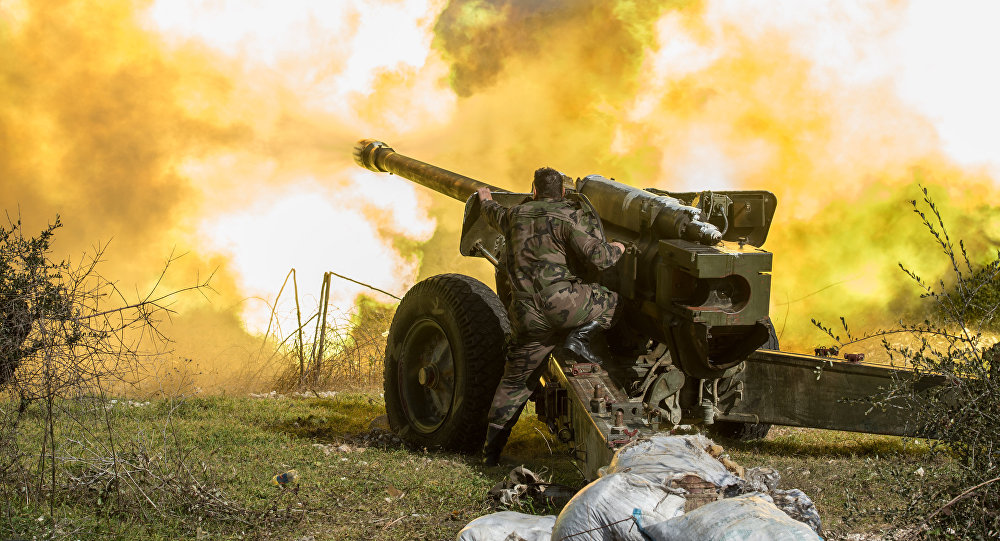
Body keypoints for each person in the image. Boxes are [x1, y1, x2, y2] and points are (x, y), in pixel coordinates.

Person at [477, 167, 625, 466]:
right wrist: (620, 247)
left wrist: (485, 199)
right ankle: (578, 339)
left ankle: (490, 452)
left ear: (533, 191)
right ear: (562, 192)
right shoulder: (567, 217)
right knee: (612, 300)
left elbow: (492, 212)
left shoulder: (514, 216)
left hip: (526, 315)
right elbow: (601, 258)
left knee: (515, 383)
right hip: (565, 305)